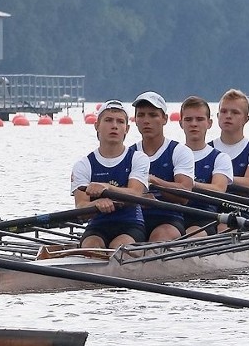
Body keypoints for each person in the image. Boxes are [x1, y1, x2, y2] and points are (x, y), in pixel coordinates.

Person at [71, 100, 149, 249]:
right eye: (108, 120)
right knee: (91, 247)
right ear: (96, 126)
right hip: (97, 226)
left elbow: (135, 194)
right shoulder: (83, 165)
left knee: (118, 248)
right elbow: (81, 208)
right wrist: (95, 204)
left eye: (120, 122)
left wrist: (107, 188)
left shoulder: (138, 159)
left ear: (126, 129)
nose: (114, 126)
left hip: (131, 225)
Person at [130, 91, 195, 242]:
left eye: (153, 115)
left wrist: (155, 182)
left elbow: (185, 195)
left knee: (159, 237)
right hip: (132, 220)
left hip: (168, 218)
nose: (146, 121)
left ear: (164, 119)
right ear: (135, 120)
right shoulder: (129, 154)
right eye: (141, 115)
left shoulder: (180, 151)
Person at [179, 95, 233, 236]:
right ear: (181, 123)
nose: (194, 124)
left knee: (190, 234)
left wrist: (189, 184)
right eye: (188, 119)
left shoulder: (220, 158)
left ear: (209, 123)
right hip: (173, 216)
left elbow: (218, 190)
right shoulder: (173, 154)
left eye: (200, 119)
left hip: (204, 218)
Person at [210, 88, 249, 189]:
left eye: (235, 112)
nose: (228, 116)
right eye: (223, 111)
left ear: (246, 119)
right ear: (217, 116)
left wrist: (219, 179)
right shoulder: (206, 149)